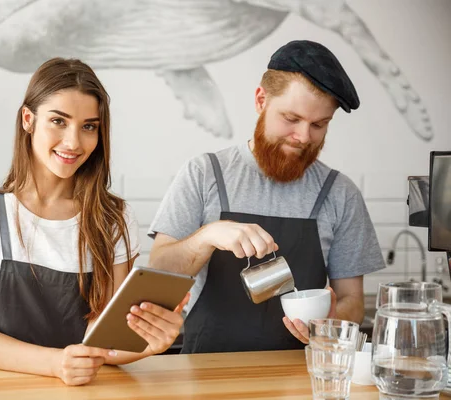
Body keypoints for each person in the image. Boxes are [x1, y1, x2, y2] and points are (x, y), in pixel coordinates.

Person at [0, 58, 189, 385]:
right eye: (59, 121)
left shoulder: (114, 220)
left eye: (89, 126)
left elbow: (109, 342)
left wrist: (149, 343)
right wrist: (55, 363)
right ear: (28, 120)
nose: (74, 142)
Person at [147, 40, 385, 353]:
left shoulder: (340, 194)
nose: (303, 137)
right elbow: (159, 271)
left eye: (319, 125)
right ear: (261, 100)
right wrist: (207, 236)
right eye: (291, 118)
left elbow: (352, 301)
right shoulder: (204, 174)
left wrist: (331, 322)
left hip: (300, 376)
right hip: (205, 374)